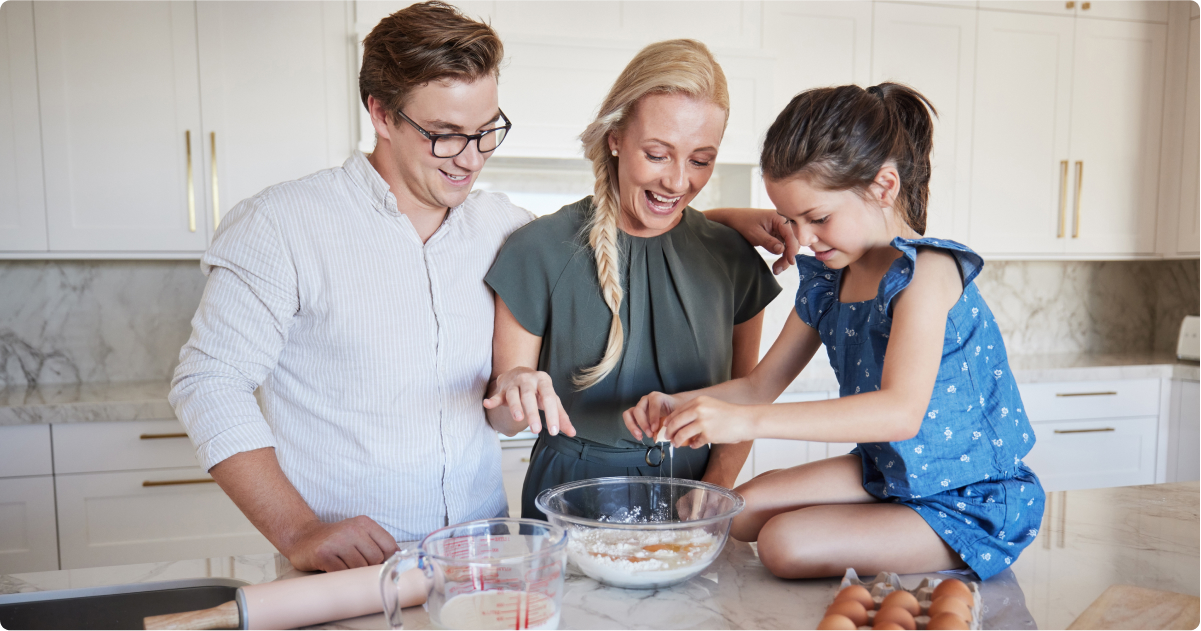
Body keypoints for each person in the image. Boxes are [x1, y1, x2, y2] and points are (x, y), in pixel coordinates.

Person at [171, 3, 799, 573]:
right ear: (382, 114)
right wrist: (299, 529)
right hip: (347, 561)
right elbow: (208, 383)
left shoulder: (501, 226)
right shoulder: (279, 226)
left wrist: (724, 222)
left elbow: (624, 235)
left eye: (487, 131)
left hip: (485, 553)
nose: (471, 158)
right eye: (445, 133)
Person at [624, 83, 1046, 581]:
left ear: (883, 187)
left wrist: (748, 423)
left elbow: (899, 414)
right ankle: (886, 527)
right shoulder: (829, 281)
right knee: (738, 511)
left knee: (784, 544)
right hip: (887, 474)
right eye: (791, 220)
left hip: (968, 494)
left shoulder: (928, 273)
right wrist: (680, 402)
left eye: (818, 218)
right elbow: (760, 387)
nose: (802, 238)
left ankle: (926, 533)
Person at [483, 39, 782, 521]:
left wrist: (713, 490)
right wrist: (515, 388)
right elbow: (502, 418)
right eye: (658, 154)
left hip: (694, 499)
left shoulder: (731, 258)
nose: (678, 181)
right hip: (569, 498)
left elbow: (746, 400)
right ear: (615, 137)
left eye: (701, 160)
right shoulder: (537, 250)